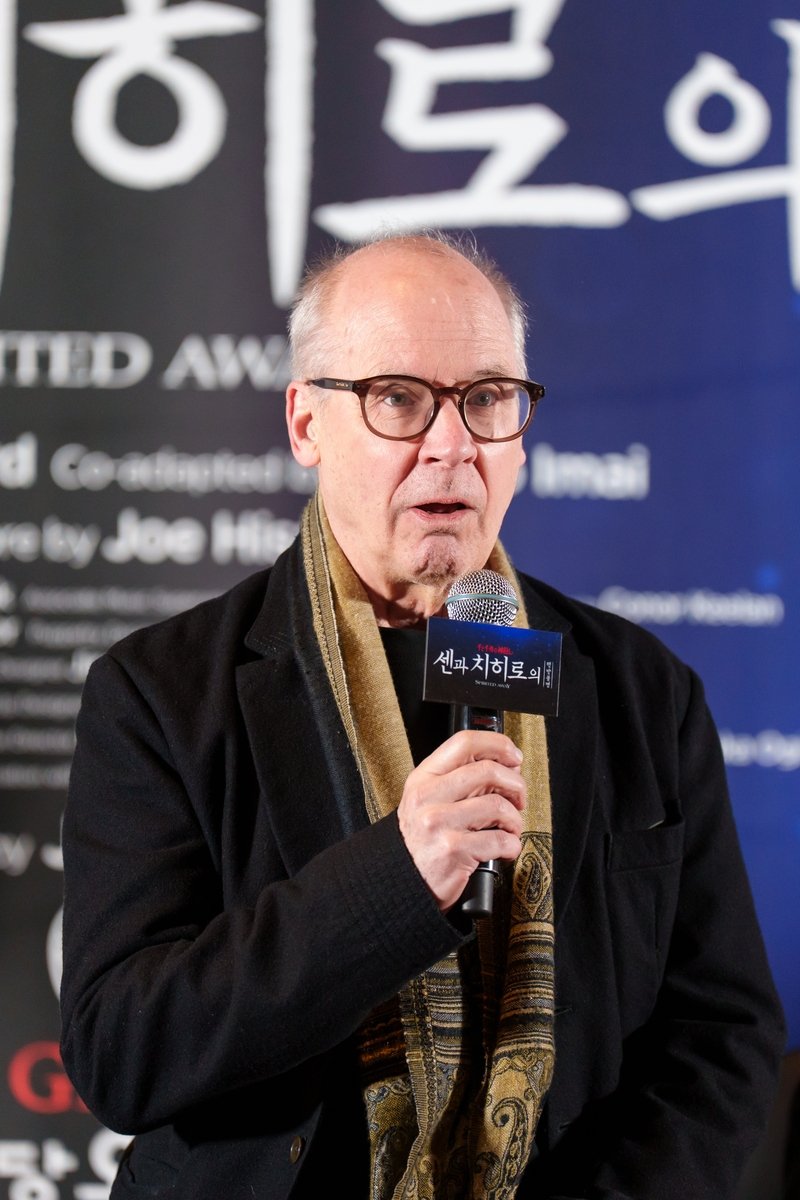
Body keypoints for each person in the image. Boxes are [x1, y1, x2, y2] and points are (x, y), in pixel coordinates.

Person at [60, 232, 785, 1199]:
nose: (452, 446)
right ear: (306, 424)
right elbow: (122, 1051)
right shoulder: (160, 691)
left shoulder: (644, 692)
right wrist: (395, 879)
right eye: (399, 399)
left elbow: (721, 1037)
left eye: (486, 398)